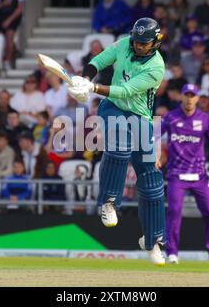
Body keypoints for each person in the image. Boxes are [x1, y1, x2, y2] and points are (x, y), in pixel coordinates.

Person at [68, 18, 166, 265]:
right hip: (112, 108)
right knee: (120, 142)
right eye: (136, 40)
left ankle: (153, 240)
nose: (138, 46)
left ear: (155, 43)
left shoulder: (156, 67)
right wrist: (84, 78)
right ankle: (109, 202)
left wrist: (92, 87)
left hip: (140, 116)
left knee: (151, 180)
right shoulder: (124, 44)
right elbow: (97, 62)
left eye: (144, 43)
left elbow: (126, 90)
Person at [157, 83, 209, 264]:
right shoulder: (170, 117)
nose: (189, 99)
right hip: (176, 174)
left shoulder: (205, 119)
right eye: (186, 95)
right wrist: (156, 154)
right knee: (174, 211)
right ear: (181, 97)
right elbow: (153, 136)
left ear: (198, 98)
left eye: (193, 95)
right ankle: (172, 253)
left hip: (199, 176)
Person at [0, 0, 26, 70]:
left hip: (13, 17)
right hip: (0, 17)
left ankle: (7, 61)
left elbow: (20, 9)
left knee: (9, 39)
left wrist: (8, 20)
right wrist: (3, 4)